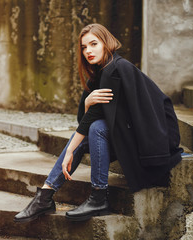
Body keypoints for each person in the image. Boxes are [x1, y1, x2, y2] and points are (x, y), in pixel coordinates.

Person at [13, 23, 183, 223]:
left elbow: (89, 123)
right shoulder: (101, 73)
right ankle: (46, 196)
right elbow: (83, 120)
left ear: (106, 43)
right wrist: (87, 103)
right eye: (84, 47)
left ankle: (95, 197)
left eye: (93, 44)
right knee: (93, 129)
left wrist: (69, 151)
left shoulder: (115, 69)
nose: (88, 51)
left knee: (96, 128)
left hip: (149, 142)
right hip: (128, 135)